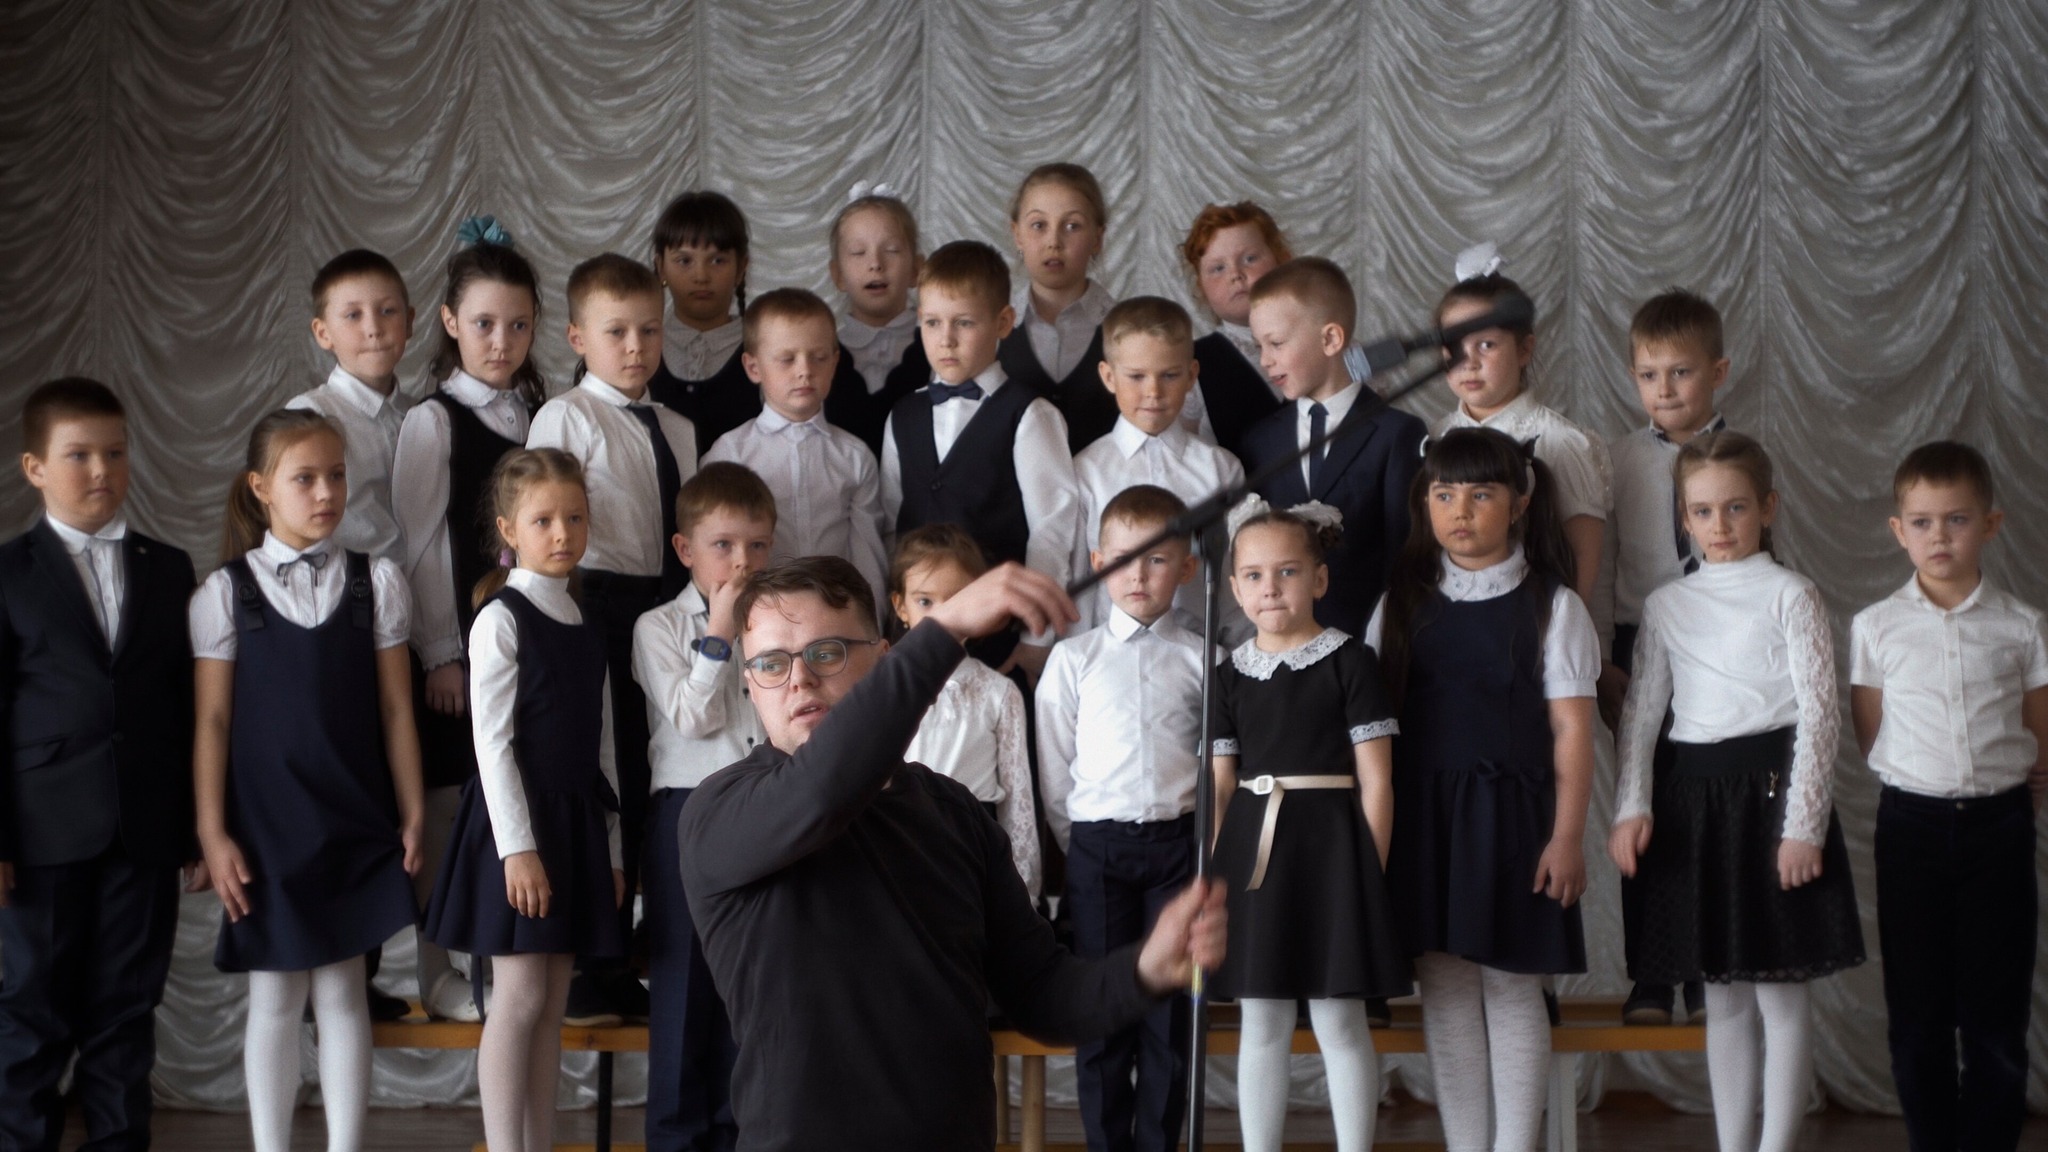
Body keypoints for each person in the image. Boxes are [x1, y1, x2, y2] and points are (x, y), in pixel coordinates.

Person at [678, 556, 1225, 1152]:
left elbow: (1042, 994)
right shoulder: (718, 811)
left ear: (883, 658)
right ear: (749, 683)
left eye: (826, 652)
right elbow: (822, 789)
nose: (799, 679)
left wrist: (1144, 970)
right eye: (770, 664)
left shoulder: (954, 813)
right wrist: (948, 629)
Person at [1610, 431, 1864, 1152]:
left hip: (1773, 801)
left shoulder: (1793, 594)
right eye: (1702, 511)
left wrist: (1803, 826)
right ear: (1683, 518)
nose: (1719, 525)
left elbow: (1820, 714)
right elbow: (1643, 718)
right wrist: (1633, 806)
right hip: (1694, 805)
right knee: (1720, 997)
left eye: (1736, 508)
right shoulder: (1667, 605)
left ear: (1767, 509)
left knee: (1780, 995)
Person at [191, 409, 423, 1152]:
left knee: (344, 990)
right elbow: (212, 723)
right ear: (261, 487)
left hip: (352, 815)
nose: (326, 492)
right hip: (266, 824)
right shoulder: (225, 593)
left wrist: (412, 810)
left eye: (336, 475)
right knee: (276, 993)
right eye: (305, 478)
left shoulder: (374, 582)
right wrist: (211, 831)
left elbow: (396, 709)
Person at [1371, 428, 1597, 1152]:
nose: (1460, 510)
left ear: (1520, 502)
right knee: (1444, 989)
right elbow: (1373, 732)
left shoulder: (1553, 606)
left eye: (1480, 494)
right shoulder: (1399, 604)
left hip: (1514, 824)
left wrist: (1567, 837)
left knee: (1511, 984)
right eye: (1443, 495)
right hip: (1425, 821)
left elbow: (1572, 731)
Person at [0, 379, 202, 1152]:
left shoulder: (168, 568)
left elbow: (188, 708)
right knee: (32, 1012)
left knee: (126, 1012)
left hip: (144, 830)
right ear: (34, 468)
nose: (101, 471)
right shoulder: (10, 572)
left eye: (115, 454)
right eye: (79, 455)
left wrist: (196, 827)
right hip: (40, 833)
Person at [423, 448, 626, 1152]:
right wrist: (518, 850)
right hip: (518, 832)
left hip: (574, 826)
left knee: (551, 1003)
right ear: (509, 529)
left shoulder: (585, 621)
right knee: (519, 999)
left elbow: (603, 749)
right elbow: (492, 745)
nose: (562, 532)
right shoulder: (500, 618)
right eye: (543, 520)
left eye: (575, 517)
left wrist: (612, 850)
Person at [1851, 441, 2046, 1152]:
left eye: (1957, 520)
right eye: (1923, 522)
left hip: (2000, 826)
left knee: (1996, 1014)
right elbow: (1871, 731)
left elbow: (2039, 729)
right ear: (1899, 530)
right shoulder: (1876, 626)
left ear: (1989, 525)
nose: (1940, 537)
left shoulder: (2022, 625)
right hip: (1912, 827)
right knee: (1918, 1014)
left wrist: (2017, 793)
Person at [527, 252, 697, 1025]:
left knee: (658, 771)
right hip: (594, 605)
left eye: (649, 331)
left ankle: (644, 950)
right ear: (577, 337)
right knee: (609, 775)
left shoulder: (679, 428)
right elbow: (545, 520)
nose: (635, 347)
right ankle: (594, 959)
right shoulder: (567, 417)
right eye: (616, 331)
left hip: (666, 613)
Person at [1211, 506, 1409, 1152]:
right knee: (1262, 1020)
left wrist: (1368, 874)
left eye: (1287, 572)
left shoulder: (1350, 661)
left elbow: (1376, 780)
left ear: (1319, 579)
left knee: (1339, 1020)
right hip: (1254, 858)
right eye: (1254, 575)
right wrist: (1217, 876)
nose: (1270, 588)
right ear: (1235, 588)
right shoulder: (1227, 675)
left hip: (1333, 857)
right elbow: (1221, 785)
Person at [391, 221, 546, 1022]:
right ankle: (436, 968)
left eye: (518, 324)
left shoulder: (538, 412)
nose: (501, 341)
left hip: (528, 644)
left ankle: (497, 964)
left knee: (508, 805)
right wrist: (440, 653)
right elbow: (419, 546)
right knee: (452, 806)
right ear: (451, 321)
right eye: (484, 323)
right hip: (461, 647)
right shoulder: (435, 421)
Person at [1037, 485, 1207, 1152]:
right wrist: (1080, 842)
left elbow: (1216, 766)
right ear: (1098, 562)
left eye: (1158, 559)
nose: (1139, 575)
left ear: (1186, 568)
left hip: (1178, 847)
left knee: (1169, 1013)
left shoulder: (1203, 660)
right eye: (1125, 560)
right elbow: (1056, 768)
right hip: (1097, 850)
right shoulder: (1073, 660)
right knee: (1103, 1009)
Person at [632, 461, 775, 1152]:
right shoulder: (657, 626)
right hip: (687, 813)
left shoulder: (777, 621)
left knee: (749, 988)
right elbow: (692, 718)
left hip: (762, 807)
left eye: (757, 545)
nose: (742, 561)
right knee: (684, 987)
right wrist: (719, 632)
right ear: (685, 549)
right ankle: (676, 1139)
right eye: (723, 545)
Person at [1597, 288, 1731, 1026]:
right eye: (1650, 375)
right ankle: (1651, 974)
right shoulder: (1618, 460)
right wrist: (1601, 659)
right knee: (1641, 802)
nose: (1666, 389)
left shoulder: (1744, 459)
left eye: (1681, 372)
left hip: (1722, 648)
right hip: (1639, 645)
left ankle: (1708, 969)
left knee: (1711, 809)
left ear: (1718, 372)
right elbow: (1601, 565)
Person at [879, 239, 1083, 681]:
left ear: (1003, 322)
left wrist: (1036, 639)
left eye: (964, 323)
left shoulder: (1030, 415)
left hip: (999, 639)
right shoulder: (903, 415)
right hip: (916, 639)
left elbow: (1051, 530)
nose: (946, 339)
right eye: (933, 322)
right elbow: (893, 526)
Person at [1237, 258, 1426, 636]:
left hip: (1366, 641)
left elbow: (1404, 555)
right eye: (1260, 346)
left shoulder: (1396, 433)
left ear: (1330, 340)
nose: (1265, 360)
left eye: (1276, 343)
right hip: (1280, 644)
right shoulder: (1258, 441)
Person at [1429, 264, 1610, 614]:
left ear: (1524, 349)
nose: (1469, 361)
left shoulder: (1561, 441)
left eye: (1486, 344)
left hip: (1535, 621)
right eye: (1454, 344)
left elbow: (1582, 559)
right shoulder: (1436, 437)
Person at [703, 287, 891, 608]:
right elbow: (715, 552)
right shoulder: (730, 454)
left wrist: (872, 623)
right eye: (787, 359)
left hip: (835, 613)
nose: (805, 370)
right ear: (753, 367)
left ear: (834, 363)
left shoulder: (855, 457)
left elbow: (868, 556)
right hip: (759, 613)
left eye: (818, 357)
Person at [1070, 296, 1246, 636]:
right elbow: (1080, 577)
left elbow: (1234, 574)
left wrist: (1234, 652)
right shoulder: (1087, 471)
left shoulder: (1220, 469)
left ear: (1191, 375)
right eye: (1136, 376)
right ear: (1108, 376)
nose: (1153, 391)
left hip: (1201, 651)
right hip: (1109, 650)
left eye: (1169, 375)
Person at [889, 525, 1039, 897]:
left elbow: (1018, 801)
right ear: (900, 606)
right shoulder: (879, 688)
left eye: (958, 600)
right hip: (896, 846)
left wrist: (1023, 890)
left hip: (972, 853)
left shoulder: (998, 692)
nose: (944, 615)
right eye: (926, 601)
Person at [289, 248, 414, 561]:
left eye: (388, 311)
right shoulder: (310, 416)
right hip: (347, 584)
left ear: (409, 321)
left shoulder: (424, 413)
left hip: (425, 586)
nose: (374, 328)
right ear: (323, 333)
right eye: (353, 315)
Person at [996, 163, 1126, 452]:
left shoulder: (1126, 328)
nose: (1054, 242)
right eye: (1039, 225)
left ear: (1097, 238)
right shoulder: (992, 329)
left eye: (1072, 226)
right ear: (1017, 234)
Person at [646, 191, 760, 456]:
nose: (701, 276)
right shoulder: (641, 346)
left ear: (741, 268)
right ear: (661, 267)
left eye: (717, 260)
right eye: (684, 261)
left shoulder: (764, 348)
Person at [1180, 201, 1290, 457]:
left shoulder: (1324, 341)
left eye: (1250, 259)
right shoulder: (1191, 367)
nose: (1236, 274)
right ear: (1201, 285)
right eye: (1218, 268)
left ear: (1281, 260)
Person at [825, 188, 929, 454]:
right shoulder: (821, 355)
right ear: (837, 275)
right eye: (858, 252)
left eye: (891, 250)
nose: (875, 263)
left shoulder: (936, 347)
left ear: (916, 269)